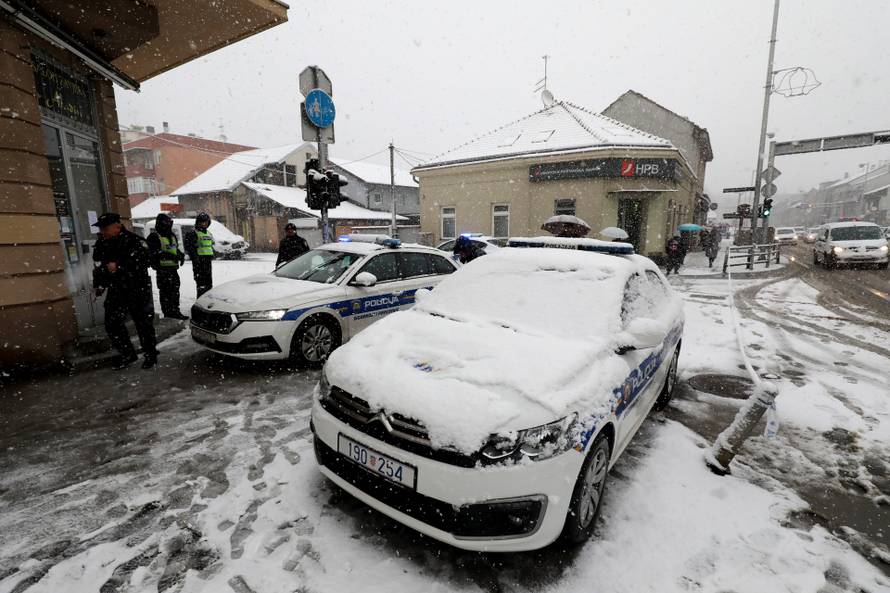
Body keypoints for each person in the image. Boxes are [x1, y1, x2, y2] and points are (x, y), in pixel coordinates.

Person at [92, 212, 159, 370]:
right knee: (112, 323)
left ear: (117, 226)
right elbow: (100, 266)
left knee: (143, 323)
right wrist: (100, 284)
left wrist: (120, 266)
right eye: (101, 229)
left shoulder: (134, 241)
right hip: (117, 289)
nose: (102, 232)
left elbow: (147, 260)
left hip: (137, 288)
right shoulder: (103, 242)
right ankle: (127, 353)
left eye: (104, 229)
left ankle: (150, 355)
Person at [147, 213, 188, 319]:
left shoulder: (172, 235)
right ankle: (169, 314)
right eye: (167, 222)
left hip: (173, 270)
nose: (169, 224)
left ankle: (176, 311)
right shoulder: (154, 236)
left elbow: (174, 248)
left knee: (175, 291)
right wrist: (169, 256)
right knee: (166, 293)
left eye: (170, 222)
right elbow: (154, 253)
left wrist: (180, 255)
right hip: (162, 271)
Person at [184, 212, 214, 298]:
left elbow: (211, 244)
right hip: (199, 262)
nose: (204, 224)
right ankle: (200, 302)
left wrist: (212, 254)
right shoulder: (193, 233)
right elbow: (189, 247)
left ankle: (207, 301)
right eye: (202, 222)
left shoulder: (208, 233)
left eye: (206, 222)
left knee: (209, 284)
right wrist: (195, 258)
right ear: (198, 222)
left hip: (207, 261)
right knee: (201, 284)